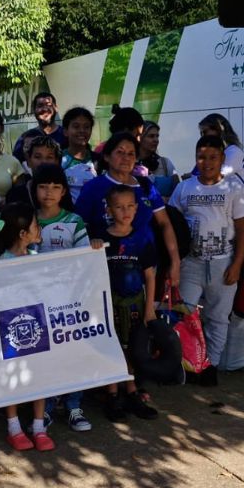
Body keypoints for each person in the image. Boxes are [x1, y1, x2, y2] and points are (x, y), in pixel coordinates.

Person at [170, 135, 244, 386]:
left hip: (223, 264)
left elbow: (243, 229)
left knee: (218, 317)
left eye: (213, 157)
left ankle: (211, 365)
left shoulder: (234, 189)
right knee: (185, 314)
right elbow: (172, 224)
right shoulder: (184, 188)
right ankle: (188, 363)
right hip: (191, 264)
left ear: (222, 159)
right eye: (202, 157)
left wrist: (237, 264)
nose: (207, 162)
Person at [74, 132, 182, 289]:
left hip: (145, 270)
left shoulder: (146, 187)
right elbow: (79, 227)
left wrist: (175, 261)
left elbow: (164, 223)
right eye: (120, 152)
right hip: (103, 270)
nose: (126, 157)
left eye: (131, 153)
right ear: (107, 157)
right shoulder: (93, 188)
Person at [31, 163, 93, 432]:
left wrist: (95, 248)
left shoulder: (74, 221)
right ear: (34, 190)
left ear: (64, 191)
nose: (49, 192)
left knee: (72, 352)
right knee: (42, 354)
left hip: (68, 300)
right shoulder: (28, 220)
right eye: (43, 186)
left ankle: (74, 405)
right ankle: (42, 409)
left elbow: (85, 258)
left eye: (56, 187)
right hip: (37, 300)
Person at [91, 185, 159, 422]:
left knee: (132, 348)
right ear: (109, 209)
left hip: (134, 304)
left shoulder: (141, 239)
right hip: (108, 304)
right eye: (119, 207)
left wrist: (149, 308)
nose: (125, 211)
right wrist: (94, 247)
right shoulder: (101, 238)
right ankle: (112, 396)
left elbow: (150, 276)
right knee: (112, 347)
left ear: (137, 207)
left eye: (130, 206)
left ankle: (131, 392)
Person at [0, 202, 56, 451]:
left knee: (39, 375)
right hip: (11, 328)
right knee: (13, 377)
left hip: (37, 324)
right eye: (35, 225)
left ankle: (39, 426)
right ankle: (14, 427)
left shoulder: (37, 258)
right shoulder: (2, 262)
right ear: (23, 234)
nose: (39, 227)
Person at [4, 135, 64, 206]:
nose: (43, 162)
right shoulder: (15, 195)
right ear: (28, 161)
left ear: (57, 162)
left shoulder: (62, 194)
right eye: (38, 157)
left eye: (49, 157)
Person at [12, 92, 65, 161]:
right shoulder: (25, 138)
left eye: (48, 105)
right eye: (40, 106)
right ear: (33, 110)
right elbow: (16, 166)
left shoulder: (66, 135)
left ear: (56, 108)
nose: (45, 109)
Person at [198, 113, 244, 187]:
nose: (203, 136)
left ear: (219, 131)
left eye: (205, 132)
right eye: (201, 133)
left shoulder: (234, 152)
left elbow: (214, 176)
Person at [60, 106, 98, 202]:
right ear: (65, 131)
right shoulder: (57, 159)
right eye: (76, 126)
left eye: (86, 127)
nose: (82, 131)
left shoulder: (98, 159)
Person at [140, 121, 179, 199]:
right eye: (151, 136)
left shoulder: (165, 163)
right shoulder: (131, 165)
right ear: (140, 138)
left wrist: (165, 200)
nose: (156, 140)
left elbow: (178, 194)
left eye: (157, 136)